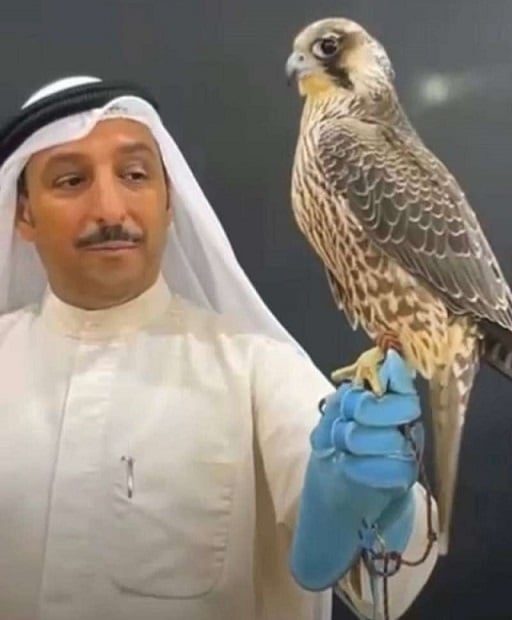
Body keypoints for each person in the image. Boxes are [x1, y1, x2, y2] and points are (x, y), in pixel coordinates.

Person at [0, 76, 438, 620]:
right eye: (71, 181)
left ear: (168, 202)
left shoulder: (257, 369)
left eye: (134, 175)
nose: (110, 209)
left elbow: (386, 583)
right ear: (24, 214)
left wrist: (374, 506)